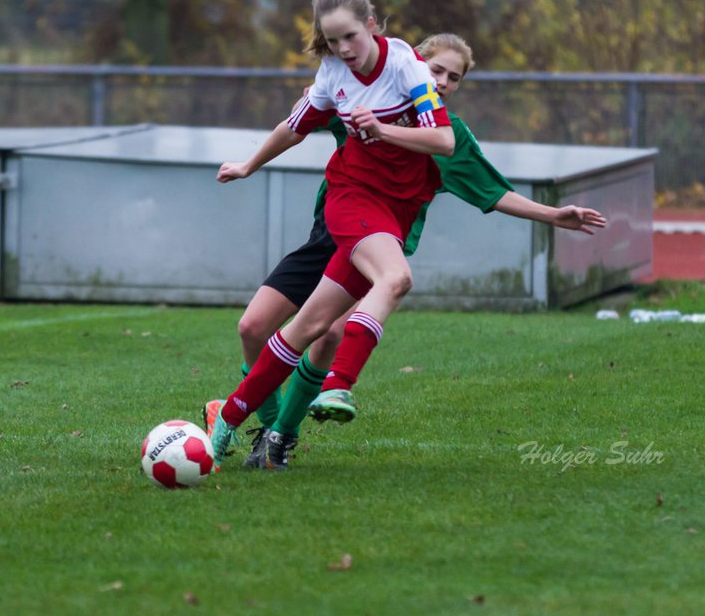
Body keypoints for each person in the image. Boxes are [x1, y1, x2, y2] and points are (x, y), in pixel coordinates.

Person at [207, 33, 606, 470]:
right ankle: (259, 422)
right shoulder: (376, 99)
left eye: (454, 78)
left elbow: (492, 192)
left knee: (328, 335)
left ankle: (280, 434)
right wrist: (270, 141)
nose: (443, 82)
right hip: (329, 235)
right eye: (436, 70)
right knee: (252, 326)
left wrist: (554, 215)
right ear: (416, 65)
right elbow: (311, 113)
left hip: (377, 247)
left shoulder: (448, 137)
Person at [208, 0, 456, 467]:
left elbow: (444, 141)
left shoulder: (407, 66)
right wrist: (248, 164)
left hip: (396, 209)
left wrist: (380, 127)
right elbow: (294, 126)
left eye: (350, 38)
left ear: (371, 25)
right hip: (352, 197)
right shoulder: (330, 74)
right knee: (396, 277)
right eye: (332, 40)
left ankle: (229, 420)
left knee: (309, 326)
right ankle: (339, 386)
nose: (343, 50)